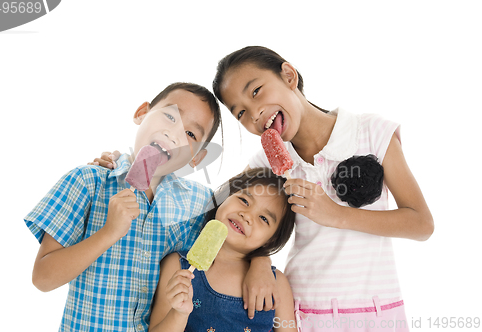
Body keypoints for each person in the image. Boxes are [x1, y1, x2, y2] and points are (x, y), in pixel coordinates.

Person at [211, 46, 434, 331]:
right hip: (305, 313)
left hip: (377, 315)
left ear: (289, 76)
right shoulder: (265, 162)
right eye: (240, 112)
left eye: (256, 91)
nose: (254, 113)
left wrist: (336, 214)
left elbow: (421, 223)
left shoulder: (371, 132)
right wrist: (260, 261)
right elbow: (229, 214)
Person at [25, 82, 225, 331]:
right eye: (171, 116)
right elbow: (42, 279)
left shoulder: (199, 204)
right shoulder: (88, 182)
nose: (174, 133)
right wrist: (109, 232)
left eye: (191, 134)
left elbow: (245, 223)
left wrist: (261, 264)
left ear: (196, 158)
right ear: (142, 113)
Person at [149, 167, 298, 332]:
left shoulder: (277, 284)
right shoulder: (177, 267)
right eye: (244, 201)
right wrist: (179, 313)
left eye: (263, 218)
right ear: (225, 197)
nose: (246, 215)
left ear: (272, 238)